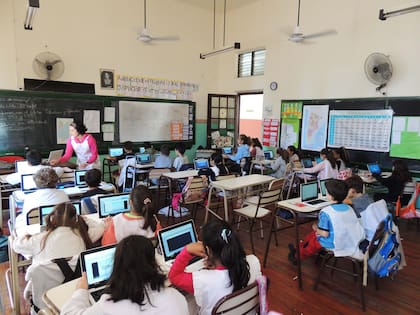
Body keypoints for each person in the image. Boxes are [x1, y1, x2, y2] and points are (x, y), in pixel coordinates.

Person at [61, 235, 188, 315]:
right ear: (153, 264)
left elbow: (67, 313)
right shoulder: (176, 298)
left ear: (117, 266)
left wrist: (81, 291)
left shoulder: (108, 305)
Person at [169, 219, 261, 315]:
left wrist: (187, 250)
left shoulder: (202, 280)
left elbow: (173, 276)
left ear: (208, 250)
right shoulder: (253, 262)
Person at [287, 180, 365, 264]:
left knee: (313, 240)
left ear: (331, 197)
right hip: (348, 239)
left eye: (327, 192)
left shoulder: (326, 212)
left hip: (334, 243)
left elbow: (325, 234)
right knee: (312, 235)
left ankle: (296, 256)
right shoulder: (349, 208)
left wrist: (316, 228)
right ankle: (298, 249)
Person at [13, 202, 103, 265]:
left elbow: (16, 245)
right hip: (73, 283)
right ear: (76, 219)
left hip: (45, 288)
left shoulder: (39, 240)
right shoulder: (84, 236)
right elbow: (100, 227)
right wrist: (85, 219)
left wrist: (25, 234)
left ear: (52, 218)